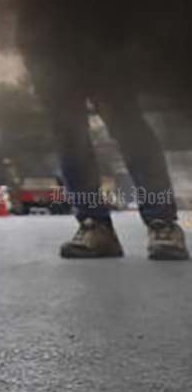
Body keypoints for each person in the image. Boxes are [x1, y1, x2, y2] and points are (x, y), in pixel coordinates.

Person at [32, 57, 188, 261]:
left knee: (123, 115)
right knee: (67, 128)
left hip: (99, 38)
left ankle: (162, 222)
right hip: (48, 44)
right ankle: (94, 224)